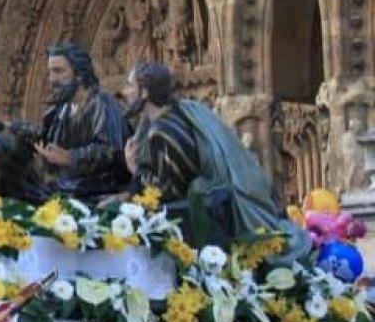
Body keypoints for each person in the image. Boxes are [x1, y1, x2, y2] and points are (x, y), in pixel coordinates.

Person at [116, 61, 309, 259]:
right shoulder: (177, 115)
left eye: (130, 85)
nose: (125, 92)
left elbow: (168, 191)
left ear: (145, 92)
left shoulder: (162, 132)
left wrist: (135, 168)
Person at [35, 42, 130, 200]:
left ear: (79, 74)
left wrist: (70, 157)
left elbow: (110, 150)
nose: (52, 80)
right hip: (69, 186)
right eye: (50, 72)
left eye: (58, 71)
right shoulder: (59, 111)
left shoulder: (101, 103)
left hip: (100, 189)